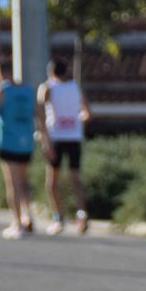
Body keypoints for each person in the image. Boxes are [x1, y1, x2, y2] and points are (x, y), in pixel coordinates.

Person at [0, 62, 43, 240]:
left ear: (3, 73)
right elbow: (39, 115)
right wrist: (46, 139)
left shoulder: (0, 90)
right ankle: (28, 215)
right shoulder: (29, 90)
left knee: (12, 183)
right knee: (24, 181)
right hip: (27, 142)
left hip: (8, 142)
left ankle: (17, 222)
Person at [37, 57, 91, 235]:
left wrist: (45, 142)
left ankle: (58, 218)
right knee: (76, 178)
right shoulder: (75, 87)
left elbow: (41, 117)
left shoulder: (47, 88)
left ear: (51, 72)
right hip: (74, 137)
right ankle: (82, 214)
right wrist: (75, 120)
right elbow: (87, 113)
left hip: (56, 138)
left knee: (52, 182)